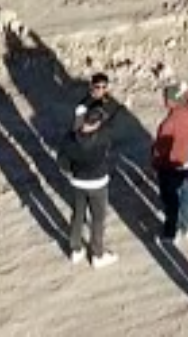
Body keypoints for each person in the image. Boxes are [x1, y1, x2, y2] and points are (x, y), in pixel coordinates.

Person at [56, 107, 117, 267]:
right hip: (98, 183)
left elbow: (62, 161)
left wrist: (71, 173)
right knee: (98, 219)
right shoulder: (103, 137)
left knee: (78, 215)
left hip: (78, 182)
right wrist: (123, 107)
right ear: (96, 123)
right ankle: (97, 254)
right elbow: (111, 125)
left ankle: (76, 250)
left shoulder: (69, 139)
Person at [151, 79, 188, 240]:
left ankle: (172, 230)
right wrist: (186, 90)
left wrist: (156, 164)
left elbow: (161, 150)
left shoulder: (168, 124)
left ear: (169, 101)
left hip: (172, 165)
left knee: (172, 198)